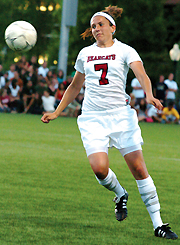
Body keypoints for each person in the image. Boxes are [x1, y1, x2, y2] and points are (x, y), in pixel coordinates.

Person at [41, 5, 178, 239]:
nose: (96, 29)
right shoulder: (85, 54)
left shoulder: (126, 51)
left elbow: (142, 75)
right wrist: (57, 112)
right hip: (93, 118)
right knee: (99, 169)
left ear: (112, 28)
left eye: (100, 25)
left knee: (138, 169)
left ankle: (159, 224)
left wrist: (148, 94)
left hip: (120, 117)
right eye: (93, 26)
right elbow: (75, 86)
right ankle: (120, 193)